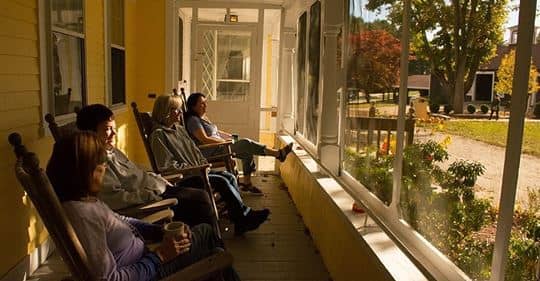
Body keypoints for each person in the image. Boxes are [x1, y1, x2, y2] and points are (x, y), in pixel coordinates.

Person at [46, 131, 240, 281]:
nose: (104, 170)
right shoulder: (83, 216)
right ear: (81, 172)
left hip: (146, 257)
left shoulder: (85, 200)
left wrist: (159, 232)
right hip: (149, 271)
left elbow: (121, 220)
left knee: (208, 240)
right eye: (99, 167)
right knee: (214, 250)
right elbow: (109, 278)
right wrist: (160, 256)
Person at [76, 104, 215, 227]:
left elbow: (136, 173)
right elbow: (116, 199)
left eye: (115, 128)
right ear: (91, 133)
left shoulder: (112, 150)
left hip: (156, 189)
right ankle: (207, 243)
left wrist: (159, 180)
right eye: (107, 129)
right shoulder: (96, 162)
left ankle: (205, 238)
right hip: (150, 201)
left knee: (197, 182)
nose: (114, 133)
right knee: (200, 199)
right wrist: (151, 194)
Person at [150, 95, 270, 235]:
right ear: (165, 112)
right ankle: (243, 218)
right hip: (185, 177)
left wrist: (203, 164)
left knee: (229, 176)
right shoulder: (158, 136)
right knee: (222, 181)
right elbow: (167, 167)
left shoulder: (179, 130)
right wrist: (195, 168)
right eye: (176, 110)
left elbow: (194, 150)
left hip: (198, 170)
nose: (180, 113)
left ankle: (240, 219)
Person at [184, 93, 293, 195]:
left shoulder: (203, 118)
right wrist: (225, 142)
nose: (205, 105)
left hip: (221, 146)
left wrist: (233, 138)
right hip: (212, 151)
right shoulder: (193, 121)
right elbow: (204, 139)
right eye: (202, 103)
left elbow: (217, 133)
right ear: (193, 106)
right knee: (246, 144)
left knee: (246, 149)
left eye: (205, 102)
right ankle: (278, 154)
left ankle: (247, 184)